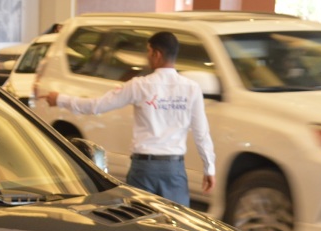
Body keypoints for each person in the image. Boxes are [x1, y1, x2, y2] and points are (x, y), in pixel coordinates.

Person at [41, 31, 214, 206]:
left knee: (141, 223)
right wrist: (209, 168)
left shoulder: (139, 85)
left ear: (157, 54)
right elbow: (202, 133)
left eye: (148, 51)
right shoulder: (191, 88)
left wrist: (60, 99)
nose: (147, 57)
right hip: (174, 169)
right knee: (179, 226)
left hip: (143, 169)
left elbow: (97, 106)